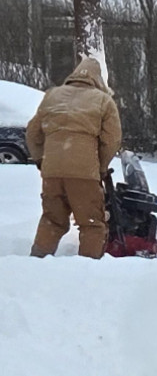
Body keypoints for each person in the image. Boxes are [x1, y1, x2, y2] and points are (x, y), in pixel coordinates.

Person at [26, 57, 121, 259]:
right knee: (92, 224)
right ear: (98, 79)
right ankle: (86, 269)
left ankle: (36, 261)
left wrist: (41, 160)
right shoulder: (103, 101)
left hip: (51, 172)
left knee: (52, 219)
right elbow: (111, 140)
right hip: (84, 172)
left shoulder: (52, 96)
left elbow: (32, 134)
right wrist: (101, 167)